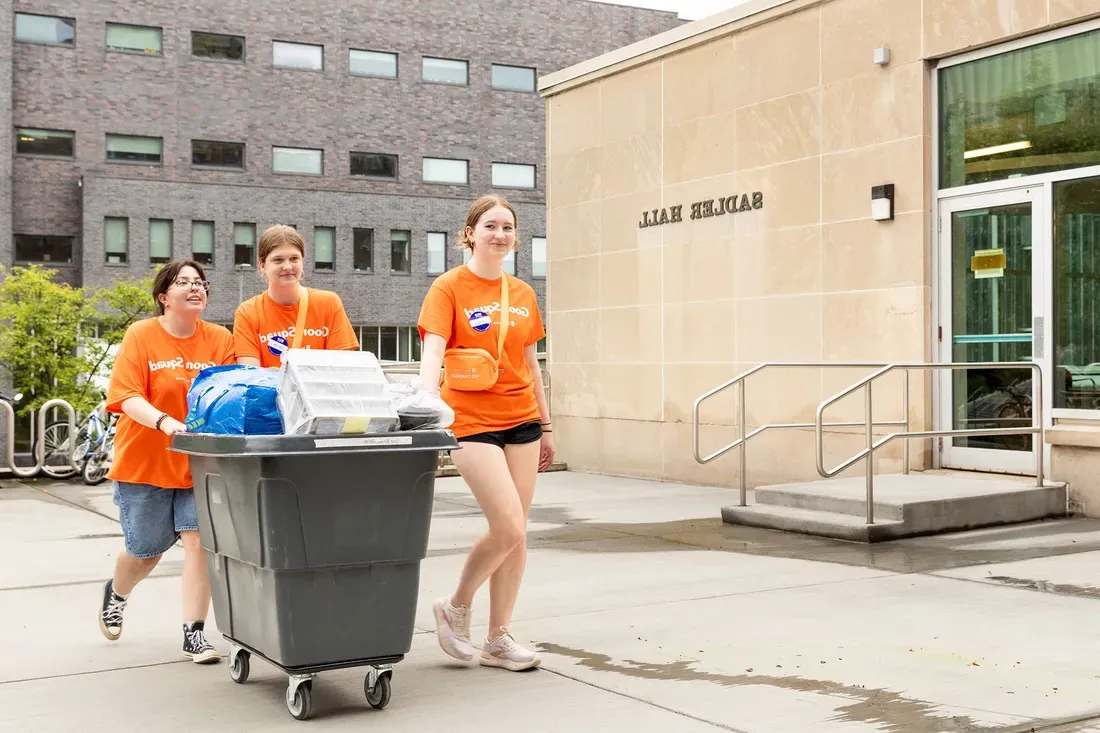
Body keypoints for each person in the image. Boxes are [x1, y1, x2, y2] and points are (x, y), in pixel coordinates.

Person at [417, 195, 554, 672]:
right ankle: (456, 605)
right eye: (491, 226)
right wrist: (426, 401)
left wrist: (547, 422)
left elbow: (532, 364)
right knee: (509, 525)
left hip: (523, 419)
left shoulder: (523, 294)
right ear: (470, 232)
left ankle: (498, 638)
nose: (500, 235)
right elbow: (433, 351)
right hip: (471, 420)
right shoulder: (448, 287)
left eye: (508, 228)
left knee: (517, 536)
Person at [98, 260, 236, 663]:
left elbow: (228, 393)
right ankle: (117, 592)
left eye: (200, 283)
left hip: (197, 464)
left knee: (199, 543)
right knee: (145, 554)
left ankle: (194, 634)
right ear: (163, 296)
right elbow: (126, 396)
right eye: (184, 282)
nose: (195, 288)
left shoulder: (219, 339)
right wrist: (164, 422)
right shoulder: (141, 335)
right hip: (146, 462)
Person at [233, 224, 359, 367]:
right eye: (278, 260)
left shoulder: (328, 304)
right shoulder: (248, 313)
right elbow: (251, 375)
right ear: (262, 265)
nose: (287, 267)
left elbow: (343, 368)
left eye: (294, 259)